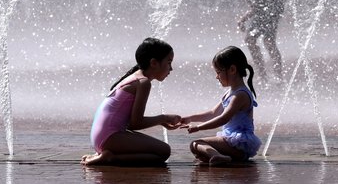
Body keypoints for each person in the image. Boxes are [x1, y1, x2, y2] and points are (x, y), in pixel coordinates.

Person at [81, 37, 182, 166]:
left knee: (157, 155)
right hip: (109, 137)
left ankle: (108, 154)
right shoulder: (143, 82)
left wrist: (162, 122)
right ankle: (110, 157)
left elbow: (129, 124)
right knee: (164, 152)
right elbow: (135, 124)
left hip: (101, 137)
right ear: (154, 63)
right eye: (169, 62)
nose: (171, 68)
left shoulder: (134, 78)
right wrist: (163, 118)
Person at [181, 46, 261, 166]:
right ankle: (223, 157)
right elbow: (213, 113)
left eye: (218, 72)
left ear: (232, 69)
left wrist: (198, 127)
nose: (216, 76)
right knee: (200, 153)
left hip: (238, 143)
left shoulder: (240, 95)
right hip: (232, 142)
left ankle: (218, 156)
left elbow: (223, 118)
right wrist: (190, 118)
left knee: (196, 144)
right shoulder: (230, 93)